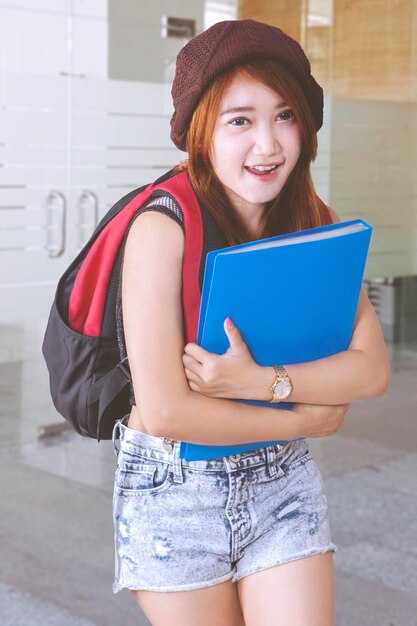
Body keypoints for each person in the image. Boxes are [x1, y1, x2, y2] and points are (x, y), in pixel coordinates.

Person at [111, 19, 390, 626]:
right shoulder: (161, 230)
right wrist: (307, 413)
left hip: (282, 484)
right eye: (240, 120)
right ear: (200, 130)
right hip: (174, 491)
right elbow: (166, 412)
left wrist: (259, 383)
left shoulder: (316, 221)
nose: (268, 145)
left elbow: (370, 370)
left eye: (285, 115)